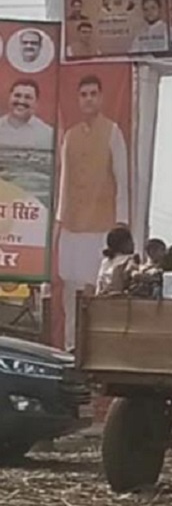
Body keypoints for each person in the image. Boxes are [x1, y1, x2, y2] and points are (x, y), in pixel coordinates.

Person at [56, 74, 129, 351]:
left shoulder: (112, 132)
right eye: (83, 94)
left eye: (93, 94)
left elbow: (122, 178)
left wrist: (121, 223)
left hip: (101, 226)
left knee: (94, 289)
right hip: (72, 226)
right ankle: (70, 346)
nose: (88, 99)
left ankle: (94, 348)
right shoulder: (70, 136)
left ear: (101, 98)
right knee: (70, 288)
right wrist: (60, 222)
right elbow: (64, 182)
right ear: (78, 99)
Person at [0, 79, 53, 150]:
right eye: (17, 95)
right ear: (9, 98)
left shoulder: (47, 134)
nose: (21, 101)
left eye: (28, 97)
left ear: (36, 103)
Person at [95, 227, 137, 297]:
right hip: (120, 301)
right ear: (123, 244)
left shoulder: (105, 262)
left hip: (101, 299)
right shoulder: (129, 260)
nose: (133, 244)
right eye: (131, 241)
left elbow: (99, 284)